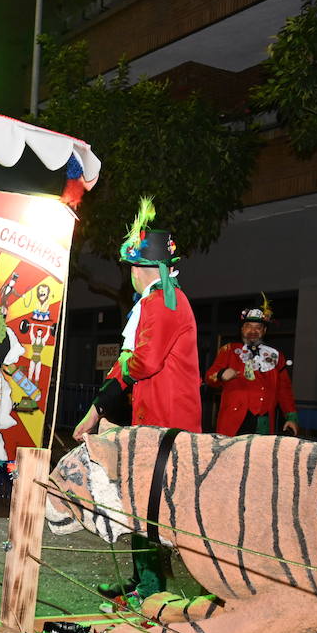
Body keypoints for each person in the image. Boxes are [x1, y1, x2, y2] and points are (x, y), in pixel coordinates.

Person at [72, 199, 200, 600]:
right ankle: (144, 580)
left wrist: (104, 401)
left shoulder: (165, 303)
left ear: (144, 269)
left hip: (168, 424)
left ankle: (154, 588)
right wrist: (94, 412)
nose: (128, 274)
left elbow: (140, 362)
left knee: (152, 506)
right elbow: (128, 367)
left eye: (131, 267)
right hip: (152, 420)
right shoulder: (154, 302)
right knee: (141, 502)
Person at [204, 298, 300, 436]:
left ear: (264, 330)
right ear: (242, 329)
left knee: (260, 457)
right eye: (248, 326)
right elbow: (209, 377)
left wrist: (291, 417)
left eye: (258, 327)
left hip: (264, 420)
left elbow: (284, 389)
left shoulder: (275, 355)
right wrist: (221, 374)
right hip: (235, 420)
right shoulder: (229, 350)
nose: (253, 331)